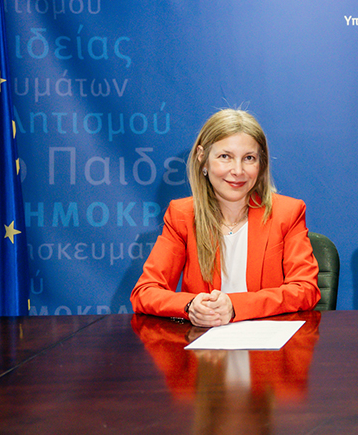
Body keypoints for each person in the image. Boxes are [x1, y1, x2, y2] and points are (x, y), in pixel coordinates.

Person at [131, 109, 320, 326]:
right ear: (203, 158)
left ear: (261, 164)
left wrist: (234, 306)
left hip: (269, 343)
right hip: (204, 343)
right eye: (225, 157)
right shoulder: (181, 215)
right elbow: (145, 292)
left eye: (249, 158)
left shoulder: (288, 212)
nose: (238, 170)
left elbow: (306, 290)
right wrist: (190, 305)